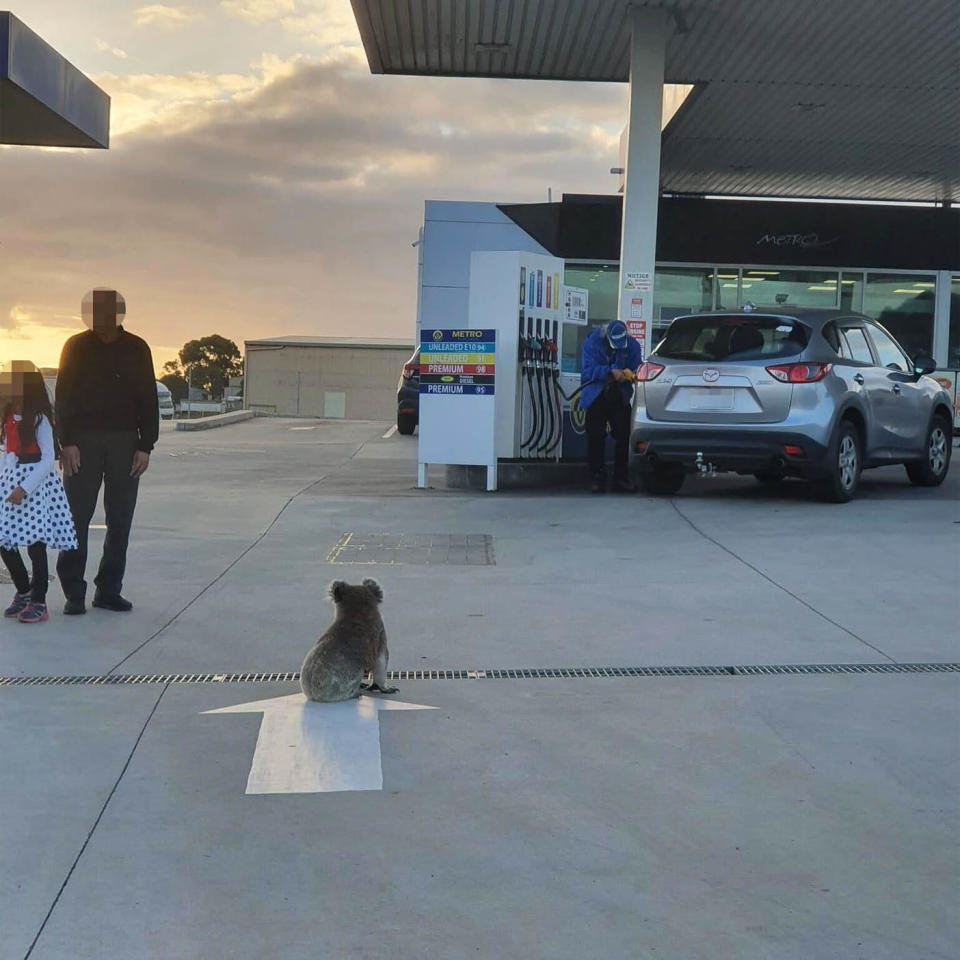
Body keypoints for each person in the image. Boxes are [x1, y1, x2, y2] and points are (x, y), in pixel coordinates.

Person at [55, 289, 159, 614]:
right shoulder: (76, 346)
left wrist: (145, 445)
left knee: (120, 519)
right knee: (76, 518)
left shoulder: (137, 348)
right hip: (81, 444)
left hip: (126, 443)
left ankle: (108, 590)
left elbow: (147, 398)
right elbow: (64, 396)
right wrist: (67, 441)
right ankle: (74, 592)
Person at [0, 362, 78, 623]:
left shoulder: (40, 420)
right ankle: (23, 590)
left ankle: (38, 601)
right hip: (11, 481)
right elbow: (5, 452)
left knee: (36, 544)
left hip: (35, 486)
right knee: (4, 539)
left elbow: (47, 460)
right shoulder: (8, 417)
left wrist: (25, 488)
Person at [580, 319, 643, 493]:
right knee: (595, 435)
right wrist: (608, 372)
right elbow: (587, 372)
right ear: (606, 336)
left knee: (624, 434)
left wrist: (629, 375)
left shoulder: (632, 346)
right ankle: (596, 477)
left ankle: (621, 477)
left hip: (619, 394)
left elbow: (637, 369)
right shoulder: (592, 342)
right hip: (596, 392)